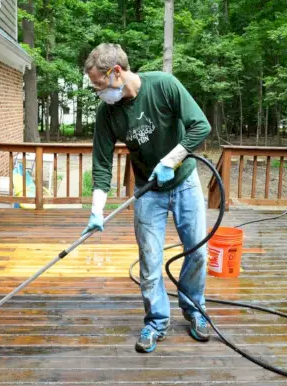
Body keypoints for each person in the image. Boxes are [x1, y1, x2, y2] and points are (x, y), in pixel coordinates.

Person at [82, 43, 212, 353]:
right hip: (147, 190)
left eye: (99, 85)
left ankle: (195, 311)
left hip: (184, 182)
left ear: (116, 73)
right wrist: (96, 210)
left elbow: (200, 126)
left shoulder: (163, 86)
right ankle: (156, 321)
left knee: (197, 252)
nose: (98, 92)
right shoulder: (108, 112)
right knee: (150, 260)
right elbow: (101, 163)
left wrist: (171, 161)